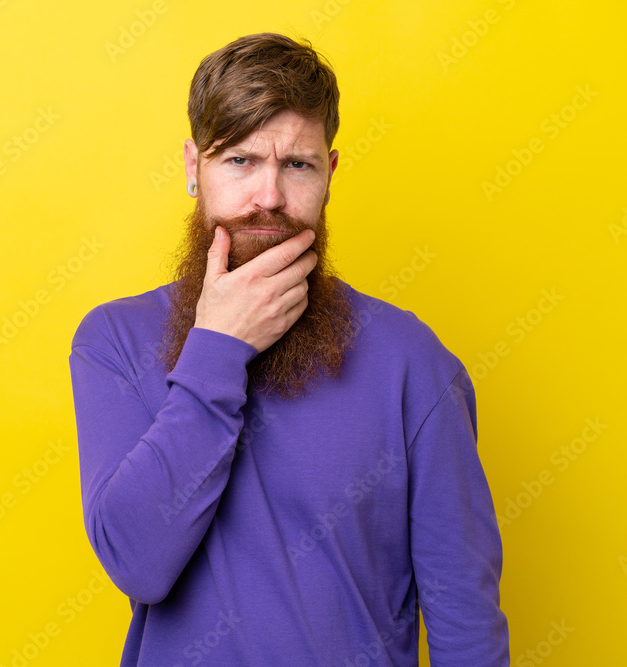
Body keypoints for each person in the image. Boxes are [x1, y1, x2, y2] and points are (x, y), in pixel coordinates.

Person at [69, 31, 509, 666]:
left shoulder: (411, 361)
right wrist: (218, 347)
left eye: (296, 164)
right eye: (240, 161)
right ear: (195, 169)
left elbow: (464, 616)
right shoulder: (112, 341)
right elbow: (138, 563)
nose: (269, 196)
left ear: (328, 174)